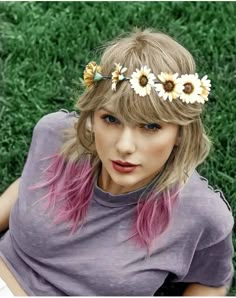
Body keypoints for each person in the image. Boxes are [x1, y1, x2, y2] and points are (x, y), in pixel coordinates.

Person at [0, 28, 234, 296]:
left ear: (180, 131)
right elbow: (31, 183)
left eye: (150, 126)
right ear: (92, 116)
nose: (124, 146)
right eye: (110, 119)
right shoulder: (54, 135)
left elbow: (212, 283)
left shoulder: (202, 212)